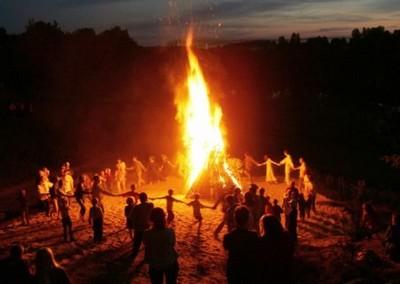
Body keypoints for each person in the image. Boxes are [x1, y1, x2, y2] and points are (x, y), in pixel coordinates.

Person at [223, 206, 258, 284]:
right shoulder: (254, 236)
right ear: (248, 219)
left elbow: (226, 247)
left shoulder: (228, 236)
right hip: (249, 270)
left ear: (235, 219)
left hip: (234, 269)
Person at [143, 208, 179, 284]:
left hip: (155, 263)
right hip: (170, 262)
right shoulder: (170, 231)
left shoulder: (147, 234)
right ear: (164, 217)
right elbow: (172, 244)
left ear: (151, 219)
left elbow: (147, 246)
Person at [257, 215, 295, 283]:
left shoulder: (262, 241)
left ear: (264, 227)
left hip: (269, 275)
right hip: (286, 272)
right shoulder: (286, 237)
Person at [130, 192, 154, 257]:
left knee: (137, 242)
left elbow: (132, 217)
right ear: (146, 198)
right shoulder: (150, 206)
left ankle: (134, 254)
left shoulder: (137, 207)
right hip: (147, 227)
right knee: (148, 243)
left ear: (140, 199)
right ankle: (147, 256)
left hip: (138, 227)